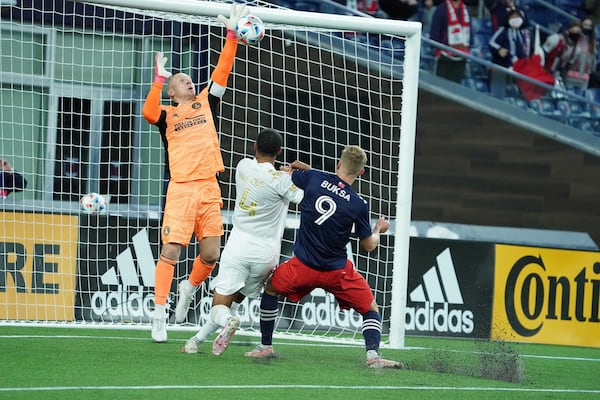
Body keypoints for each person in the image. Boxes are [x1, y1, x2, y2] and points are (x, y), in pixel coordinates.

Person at [141, 3, 249, 343]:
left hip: (209, 188)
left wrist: (231, 37)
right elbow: (146, 112)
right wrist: (159, 81)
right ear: (172, 92)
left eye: (189, 80)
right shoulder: (166, 116)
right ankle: (159, 316)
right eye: (182, 81)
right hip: (182, 190)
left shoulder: (206, 103)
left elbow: (222, 71)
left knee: (211, 255)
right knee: (171, 251)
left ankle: (188, 289)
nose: (189, 82)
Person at [244, 145, 403, 369]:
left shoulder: (313, 178)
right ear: (361, 172)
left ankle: (265, 346)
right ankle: (373, 357)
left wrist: (294, 169)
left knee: (270, 289)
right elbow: (368, 246)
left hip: (302, 267)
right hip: (336, 272)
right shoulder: (358, 205)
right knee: (371, 309)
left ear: (339, 163)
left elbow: (295, 175)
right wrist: (379, 229)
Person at [179, 129, 304, 355]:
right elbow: (303, 197)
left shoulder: (243, 166)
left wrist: (284, 177)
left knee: (220, 305)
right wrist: (293, 176)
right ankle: (196, 341)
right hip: (266, 255)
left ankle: (227, 322)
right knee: (235, 301)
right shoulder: (282, 181)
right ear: (280, 151)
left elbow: (265, 176)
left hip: (239, 247)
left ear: (255, 147)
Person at [488, 9, 531, 97]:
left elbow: (522, 52)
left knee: (512, 95)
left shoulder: (521, 34)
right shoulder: (503, 30)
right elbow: (491, 42)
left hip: (515, 70)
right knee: (498, 94)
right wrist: (499, 49)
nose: (515, 19)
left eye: (518, 17)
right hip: (501, 67)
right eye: (513, 17)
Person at [543, 20, 593, 93]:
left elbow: (567, 65)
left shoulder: (577, 50)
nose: (575, 34)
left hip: (557, 72)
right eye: (573, 31)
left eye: (578, 32)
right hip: (544, 67)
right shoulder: (556, 38)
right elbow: (542, 54)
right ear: (567, 31)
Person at [429, 0, 471, 83]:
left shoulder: (466, 10)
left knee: (455, 90)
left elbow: (470, 33)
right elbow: (434, 33)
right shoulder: (441, 9)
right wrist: (438, 52)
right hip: (444, 57)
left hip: (461, 58)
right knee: (441, 88)